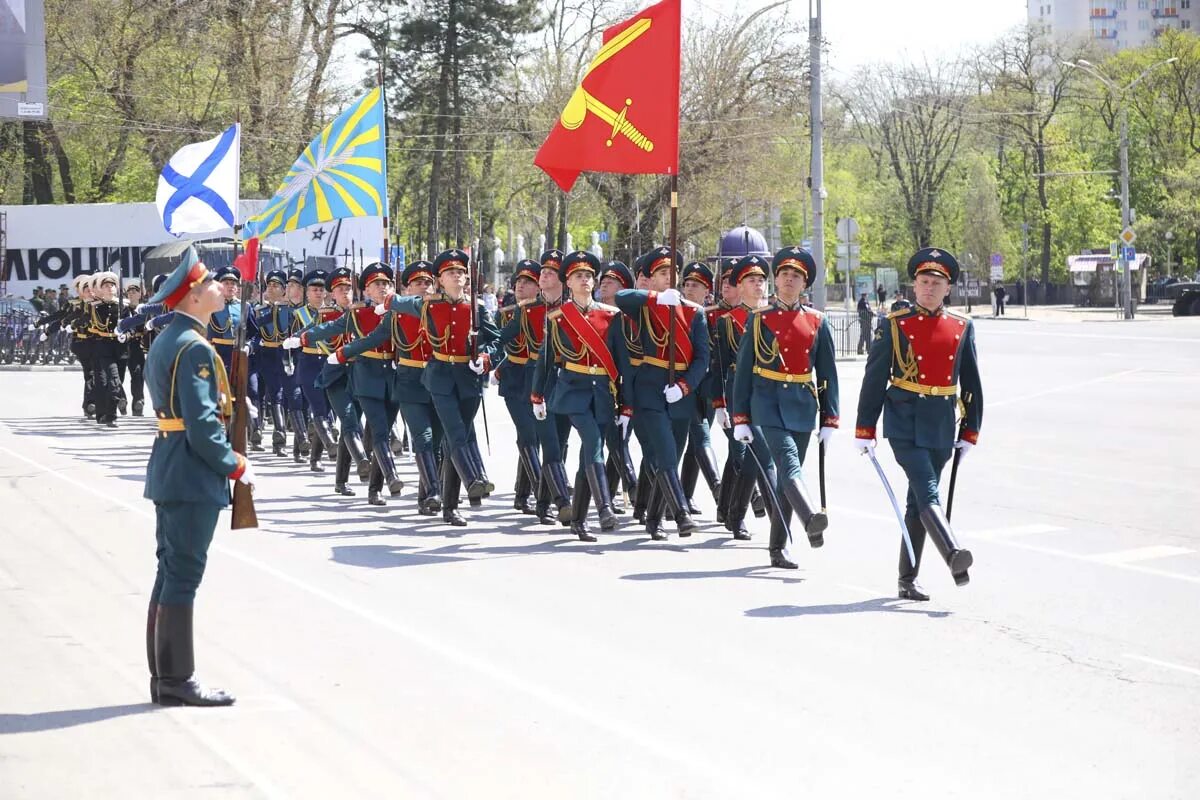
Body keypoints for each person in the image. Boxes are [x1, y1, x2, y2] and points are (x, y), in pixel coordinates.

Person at [143, 249, 254, 706]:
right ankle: (177, 680)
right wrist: (236, 464)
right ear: (192, 297)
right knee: (183, 574)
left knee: (169, 570)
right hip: (191, 473)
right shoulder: (194, 348)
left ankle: (164, 677)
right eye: (209, 284)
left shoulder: (171, 339)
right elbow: (204, 427)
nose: (219, 289)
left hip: (172, 467)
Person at [855, 247, 983, 601]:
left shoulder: (961, 327)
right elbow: (873, 379)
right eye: (923, 281)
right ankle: (953, 553)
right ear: (914, 285)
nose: (928, 288)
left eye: (936, 283)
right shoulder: (895, 326)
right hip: (905, 423)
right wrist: (864, 427)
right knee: (927, 489)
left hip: (942, 424)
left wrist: (970, 429)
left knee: (917, 504)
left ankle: (906, 579)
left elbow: (971, 383)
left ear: (947, 289)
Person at [732, 247, 839, 569]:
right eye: (784, 275)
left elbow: (827, 373)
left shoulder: (817, 322)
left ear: (804, 284)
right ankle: (809, 519)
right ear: (776, 280)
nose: (789, 280)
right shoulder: (759, 319)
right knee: (788, 464)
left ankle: (778, 547)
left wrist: (830, 417)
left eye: (796, 276)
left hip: (802, 404)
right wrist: (741, 416)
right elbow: (743, 370)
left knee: (785, 482)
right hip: (767, 402)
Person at [614, 247, 710, 539]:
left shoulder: (694, 313)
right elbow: (621, 297)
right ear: (651, 279)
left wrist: (683, 387)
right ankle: (680, 514)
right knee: (665, 452)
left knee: (666, 456)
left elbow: (702, 359)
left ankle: (653, 519)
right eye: (661, 274)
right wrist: (656, 297)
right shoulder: (644, 305)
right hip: (649, 388)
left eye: (672, 273)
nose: (668, 277)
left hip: (680, 392)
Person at [531, 250, 623, 541]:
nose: (585, 280)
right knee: (594, 442)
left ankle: (579, 521)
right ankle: (605, 507)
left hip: (603, 393)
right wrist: (537, 395)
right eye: (578, 276)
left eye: (588, 276)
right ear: (567, 282)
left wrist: (627, 402)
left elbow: (622, 362)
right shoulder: (558, 318)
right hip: (573, 392)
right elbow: (546, 361)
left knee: (588, 456)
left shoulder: (610, 316)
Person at [494, 259, 544, 515]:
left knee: (533, 436)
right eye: (518, 282)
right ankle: (539, 488)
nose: (521, 286)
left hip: (538, 376)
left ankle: (522, 494)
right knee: (527, 434)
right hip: (515, 378)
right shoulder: (506, 314)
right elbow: (499, 342)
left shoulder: (546, 311)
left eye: (528, 282)